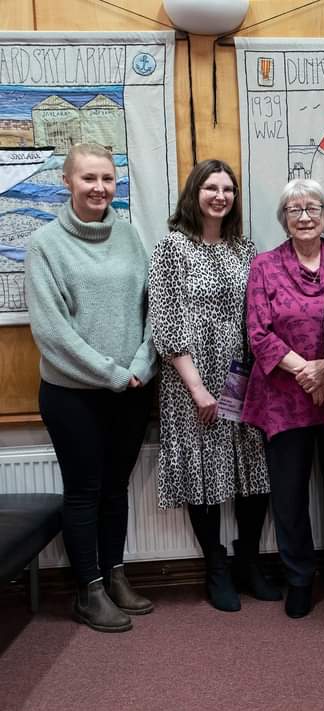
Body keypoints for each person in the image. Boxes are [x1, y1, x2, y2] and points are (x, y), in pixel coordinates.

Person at [27, 142, 157, 632]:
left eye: (107, 178)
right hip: (74, 395)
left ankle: (115, 574)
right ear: (68, 182)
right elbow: (52, 333)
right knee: (84, 491)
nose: (99, 188)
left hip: (133, 386)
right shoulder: (45, 245)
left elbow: (153, 308)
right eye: (89, 179)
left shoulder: (129, 237)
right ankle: (90, 589)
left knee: (115, 488)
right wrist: (110, 373)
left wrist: (143, 363)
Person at [148, 159, 279, 613]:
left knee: (253, 470)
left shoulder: (245, 250)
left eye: (228, 188)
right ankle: (216, 567)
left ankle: (247, 561)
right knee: (202, 471)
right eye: (211, 187)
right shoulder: (170, 249)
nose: (220, 195)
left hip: (244, 376)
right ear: (194, 193)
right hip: (190, 379)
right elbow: (164, 326)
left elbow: (259, 316)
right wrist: (199, 389)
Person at [244, 178, 324, 619]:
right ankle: (298, 577)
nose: (305, 216)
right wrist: (308, 372)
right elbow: (258, 333)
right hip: (283, 397)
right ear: (284, 219)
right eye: (295, 210)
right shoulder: (264, 267)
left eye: (313, 208)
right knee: (289, 495)